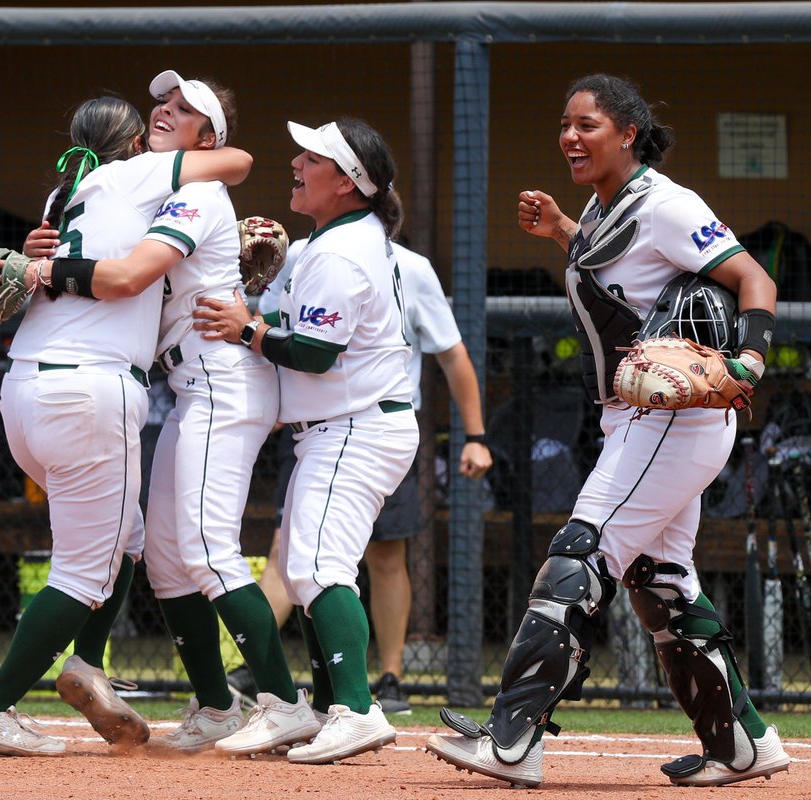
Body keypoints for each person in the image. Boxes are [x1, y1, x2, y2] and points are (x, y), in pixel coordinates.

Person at [425, 73, 790, 788]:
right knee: (661, 583)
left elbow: (756, 280)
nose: (569, 136)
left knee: (579, 553)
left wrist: (748, 359)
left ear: (627, 133)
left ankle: (511, 738)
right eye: (564, 124)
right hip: (639, 419)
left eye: (587, 124)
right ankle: (742, 743)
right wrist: (564, 228)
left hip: (672, 419)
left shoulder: (667, 203)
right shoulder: (603, 209)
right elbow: (624, 284)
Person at [0, 94, 253, 757]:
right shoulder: (135, 173)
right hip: (89, 392)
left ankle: (88, 663)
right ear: (138, 143)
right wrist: (180, 157)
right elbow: (239, 160)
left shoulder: (68, 192)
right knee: (84, 572)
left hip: (24, 392)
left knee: (129, 537)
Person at [26, 70, 301, 755]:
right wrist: (51, 247)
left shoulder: (197, 192)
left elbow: (128, 278)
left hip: (223, 381)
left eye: (184, 110)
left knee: (207, 553)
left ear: (207, 138)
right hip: (188, 386)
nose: (163, 110)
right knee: (168, 564)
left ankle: (284, 701)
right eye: (163, 102)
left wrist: (50, 269)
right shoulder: (151, 190)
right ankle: (214, 707)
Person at [194, 117, 415, 764]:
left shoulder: (343, 251)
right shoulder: (336, 240)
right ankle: (324, 707)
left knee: (317, 568)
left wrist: (245, 331)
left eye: (312, 157)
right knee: (309, 565)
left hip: (355, 425)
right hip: (345, 427)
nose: (296, 161)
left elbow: (315, 354)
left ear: (347, 183)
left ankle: (355, 708)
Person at [233, 236, 493, 714]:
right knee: (292, 553)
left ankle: (384, 680)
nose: (301, 172)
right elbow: (271, 331)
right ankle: (263, 672)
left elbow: (452, 354)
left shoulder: (410, 265)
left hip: (371, 424)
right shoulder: (299, 255)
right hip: (308, 427)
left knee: (381, 555)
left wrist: (475, 434)